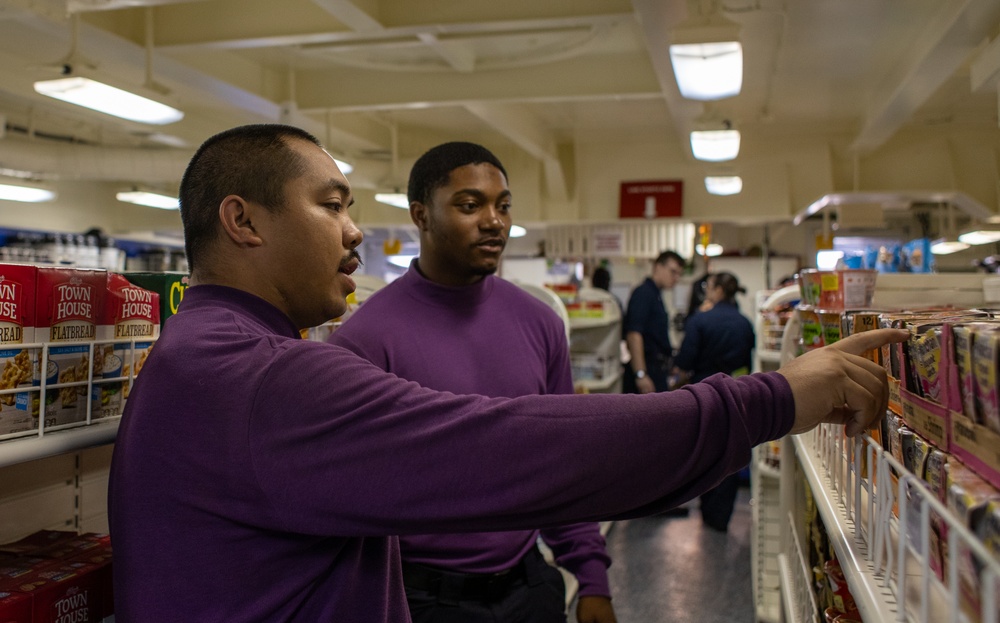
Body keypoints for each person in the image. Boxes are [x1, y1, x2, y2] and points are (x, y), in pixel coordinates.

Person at [107, 123, 907, 623]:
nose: (355, 233)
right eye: (332, 205)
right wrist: (779, 396)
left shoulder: (205, 354)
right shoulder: (255, 378)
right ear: (242, 219)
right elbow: (516, 446)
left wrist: (583, 567)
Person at [329, 142, 617, 623]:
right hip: (422, 599)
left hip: (530, 589)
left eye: (503, 206)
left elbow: (563, 461)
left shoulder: (539, 323)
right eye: (470, 205)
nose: (494, 221)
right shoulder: (366, 340)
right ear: (421, 215)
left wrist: (591, 577)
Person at [673, 272, 757, 531]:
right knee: (731, 451)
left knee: (706, 452)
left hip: (704, 394)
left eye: (709, 288)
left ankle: (708, 511)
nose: (706, 292)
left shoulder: (701, 320)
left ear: (719, 290)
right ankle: (721, 515)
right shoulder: (745, 323)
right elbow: (750, 361)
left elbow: (685, 360)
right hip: (737, 393)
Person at [622, 251, 685, 394]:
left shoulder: (656, 294)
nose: (676, 278)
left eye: (679, 274)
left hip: (657, 369)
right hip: (647, 370)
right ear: (657, 267)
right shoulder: (643, 293)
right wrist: (641, 374)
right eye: (673, 272)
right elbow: (634, 334)